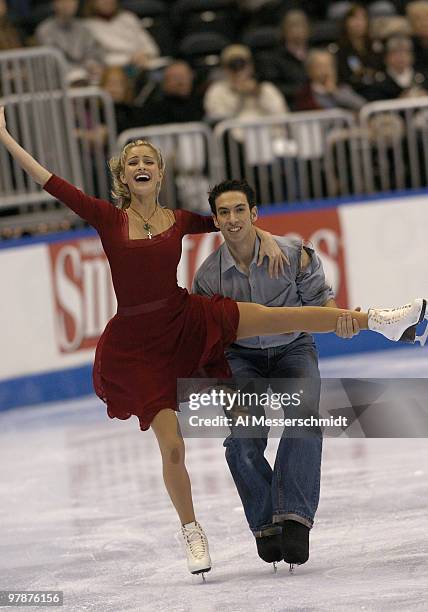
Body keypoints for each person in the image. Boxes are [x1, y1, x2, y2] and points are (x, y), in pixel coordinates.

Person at [0, 104, 425, 578]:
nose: (141, 166)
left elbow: (232, 221)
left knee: (274, 316)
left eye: (148, 160)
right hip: (140, 346)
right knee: (174, 448)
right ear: (122, 175)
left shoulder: (180, 219)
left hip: (185, 319)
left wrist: (261, 232)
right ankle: (191, 530)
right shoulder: (106, 217)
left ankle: (379, 319)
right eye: (132, 162)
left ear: (160, 172)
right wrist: (6, 138)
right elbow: (50, 181)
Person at [191, 179, 359, 569]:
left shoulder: (293, 254)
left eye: (239, 210)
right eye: (224, 212)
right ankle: (267, 523)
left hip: (293, 350)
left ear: (254, 214)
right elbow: (209, 335)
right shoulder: (208, 277)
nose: (232, 219)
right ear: (216, 221)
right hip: (241, 359)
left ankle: (295, 520)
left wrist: (341, 320)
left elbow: (322, 303)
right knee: (242, 441)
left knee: (303, 419)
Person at [204, 44, 288, 125]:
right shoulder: (216, 91)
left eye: (242, 64)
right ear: (224, 69)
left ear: (251, 66)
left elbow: (282, 115)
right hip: (234, 139)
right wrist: (237, 95)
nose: (238, 70)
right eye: (232, 65)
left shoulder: (266, 88)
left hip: (269, 137)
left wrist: (259, 94)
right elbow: (218, 120)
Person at [35, 0, 104, 86]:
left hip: (86, 74)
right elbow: (52, 61)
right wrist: (77, 72)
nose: (69, 4)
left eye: (73, 1)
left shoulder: (84, 28)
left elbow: (92, 53)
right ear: (55, 4)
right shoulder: (44, 30)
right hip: (57, 78)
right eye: (64, 1)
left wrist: (92, 64)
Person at [82, 0, 159, 71]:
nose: (108, 1)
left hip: (146, 64)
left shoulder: (128, 17)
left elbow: (151, 47)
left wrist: (145, 55)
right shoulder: (87, 26)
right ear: (92, 2)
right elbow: (96, 60)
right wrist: (130, 59)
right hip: (114, 71)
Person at [294, 49, 367, 112]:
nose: (326, 70)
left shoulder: (342, 88)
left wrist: (335, 92)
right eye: (320, 66)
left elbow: (364, 107)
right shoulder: (305, 95)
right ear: (309, 70)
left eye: (329, 65)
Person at [336, 3, 383, 97]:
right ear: (346, 22)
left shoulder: (375, 46)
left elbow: (380, 71)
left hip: (377, 89)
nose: (358, 23)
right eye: (354, 18)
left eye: (362, 18)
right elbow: (344, 77)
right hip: (353, 92)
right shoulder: (340, 49)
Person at [365, 35, 428, 102]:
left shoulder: (423, 76)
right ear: (386, 57)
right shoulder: (380, 81)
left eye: (405, 52)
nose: (401, 57)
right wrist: (399, 101)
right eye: (396, 53)